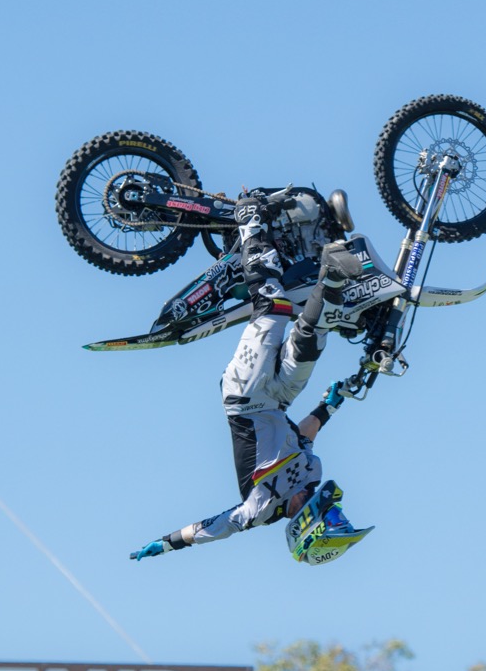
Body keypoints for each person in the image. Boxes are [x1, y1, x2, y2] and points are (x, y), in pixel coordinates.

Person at [131, 195, 371, 565]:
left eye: (336, 520)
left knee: (273, 310)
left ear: (309, 526)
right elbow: (302, 438)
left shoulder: (260, 508)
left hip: (244, 395)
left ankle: (250, 225)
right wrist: (330, 406)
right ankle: (333, 273)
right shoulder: (313, 471)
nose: (339, 512)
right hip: (279, 399)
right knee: (312, 339)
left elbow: (215, 527)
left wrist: (167, 543)